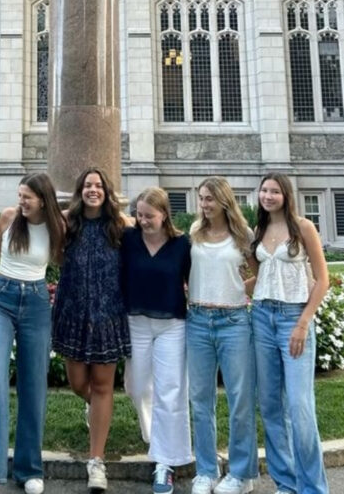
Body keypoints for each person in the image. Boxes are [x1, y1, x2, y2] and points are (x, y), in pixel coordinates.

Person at [0, 173, 66, 494]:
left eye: (27, 197)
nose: (21, 201)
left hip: (36, 302)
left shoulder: (57, 227)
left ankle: (29, 469)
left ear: (44, 200)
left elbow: (64, 260)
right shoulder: (7, 218)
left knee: (33, 385)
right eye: (20, 195)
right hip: (0, 299)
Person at [51, 167, 132, 493]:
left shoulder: (120, 226)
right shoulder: (68, 223)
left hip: (108, 314)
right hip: (73, 312)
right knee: (77, 383)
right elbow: (54, 254)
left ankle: (96, 460)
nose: (93, 190)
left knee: (102, 385)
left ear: (106, 191)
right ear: (80, 190)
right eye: (87, 185)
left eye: (98, 185)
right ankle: (97, 408)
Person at [251, 173, 330, 494]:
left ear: (286, 195)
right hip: (261, 318)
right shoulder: (259, 230)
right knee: (270, 406)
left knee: (299, 407)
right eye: (264, 191)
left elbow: (322, 280)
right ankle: (286, 483)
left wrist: (302, 323)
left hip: (293, 318)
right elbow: (258, 280)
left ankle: (313, 488)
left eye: (274, 191)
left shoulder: (303, 228)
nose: (268, 196)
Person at [186, 176, 258, 494]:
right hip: (198, 320)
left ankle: (242, 473)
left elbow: (260, 271)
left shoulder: (243, 235)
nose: (204, 204)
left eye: (209, 199)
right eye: (201, 198)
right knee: (201, 400)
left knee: (239, 398)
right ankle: (206, 470)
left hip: (233, 322)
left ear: (224, 201)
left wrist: (237, 290)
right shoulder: (194, 233)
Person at [121, 187, 192, 494]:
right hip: (135, 321)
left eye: (149, 215)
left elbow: (193, 280)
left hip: (171, 324)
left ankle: (165, 462)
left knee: (170, 389)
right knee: (136, 387)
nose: (144, 220)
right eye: (139, 215)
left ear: (164, 214)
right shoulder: (128, 240)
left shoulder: (181, 245)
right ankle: (155, 433)